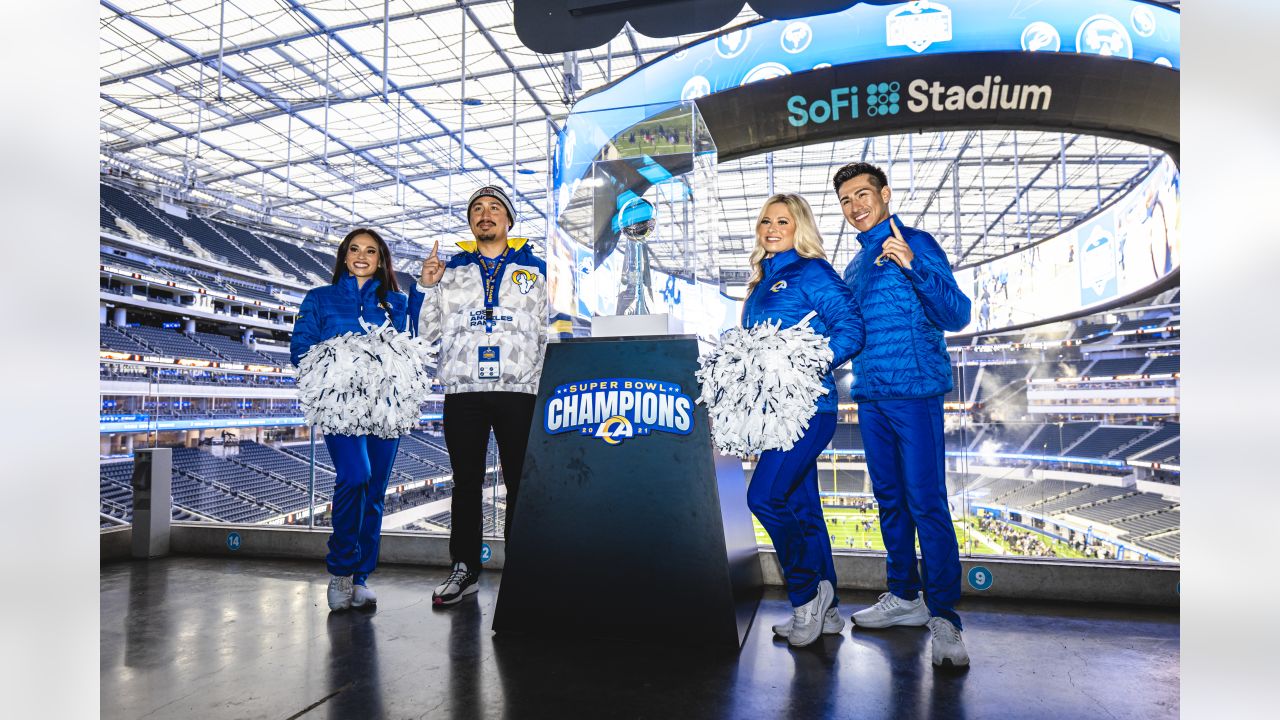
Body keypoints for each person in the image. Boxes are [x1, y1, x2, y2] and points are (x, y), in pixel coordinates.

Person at [832, 161, 973, 668]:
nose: (856, 207)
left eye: (863, 194)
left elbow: (957, 314)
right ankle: (904, 597)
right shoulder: (852, 268)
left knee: (926, 503)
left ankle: (946, 619)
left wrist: (914, 264)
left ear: (885, 194)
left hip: (915, 395)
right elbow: (848, 334)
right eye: (846, 200)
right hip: (870, 396)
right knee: (889, 501)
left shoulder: (918, 241)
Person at [410, 185, 548, 607]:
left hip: (518, 389)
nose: (485, 215)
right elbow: (425, 332)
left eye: (494, 208)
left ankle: (524, 566)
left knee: (520, 482)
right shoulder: (450, 270)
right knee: (466, 483)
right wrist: (426, 287)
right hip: (464, 389)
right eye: (476, 209)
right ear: (470, 221)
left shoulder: (538, 268)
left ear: (509, 220)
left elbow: (549, 327)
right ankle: (464, 568)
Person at [740, 193, 864, 648]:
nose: (771, 229)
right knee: (805, 510)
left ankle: (807, 595)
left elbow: (851, 328)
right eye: (765, 222)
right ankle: (828, 612)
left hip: (809, 408)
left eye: (783, 222)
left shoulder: (812, 271)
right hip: (775, 413)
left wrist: (809, 363)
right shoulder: (761, 281)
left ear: (800, 228)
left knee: (764, 497)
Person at [290, 228, 410, 612]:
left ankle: (360, 577)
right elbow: (300, 350)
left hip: (385, 406)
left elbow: (413, 344)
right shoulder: (319, 299)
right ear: (344, 256)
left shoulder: (396, 301)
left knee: (375, 491)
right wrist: (345, 364)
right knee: (355, 475)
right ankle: (340, 570)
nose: (362, 256)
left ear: (381, 260)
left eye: (371, 251)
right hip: (341, 407)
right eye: (355, 249)